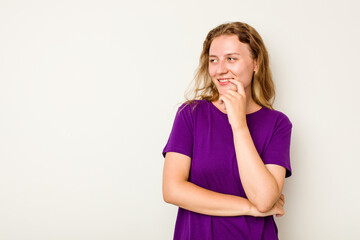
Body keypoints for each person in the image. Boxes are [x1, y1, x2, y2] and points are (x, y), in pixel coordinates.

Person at [162, 22, 292, 240]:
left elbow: (264, 199)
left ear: (255, 63)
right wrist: (250, 208)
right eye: (213, 60)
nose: (220, 69)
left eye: (231, 58)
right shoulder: (191, 114)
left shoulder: (278, 124)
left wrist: (239, 123)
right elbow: (172, 190)